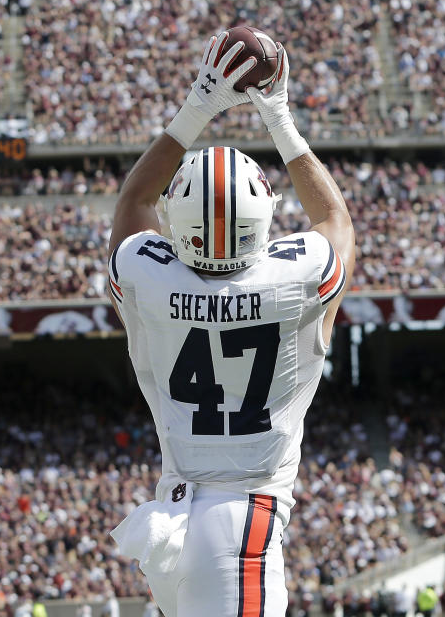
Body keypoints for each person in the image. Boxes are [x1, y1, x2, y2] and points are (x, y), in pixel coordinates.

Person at [106, 30, 355, 617]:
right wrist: (279, 118)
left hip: (172, 515)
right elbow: (333, 217)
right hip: (243, 524)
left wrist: (200, 105)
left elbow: (134, 203)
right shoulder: (296, 279)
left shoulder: (150, 275)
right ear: (265, 216)